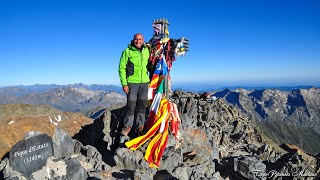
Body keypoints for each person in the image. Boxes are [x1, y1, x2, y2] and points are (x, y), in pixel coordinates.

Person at [118, 33, 150, 137]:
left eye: (140, 39)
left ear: (143, 40)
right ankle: (128, 127)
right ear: (133, 40)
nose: (138, 41)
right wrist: (124, 83)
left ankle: (139, 127)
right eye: (136, 39)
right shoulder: (127, 51)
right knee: (131, 105)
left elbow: (149, 65)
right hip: (132, 82)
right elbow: (121, 68)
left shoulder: (146, 51)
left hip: (144, 83)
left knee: (142, 106)